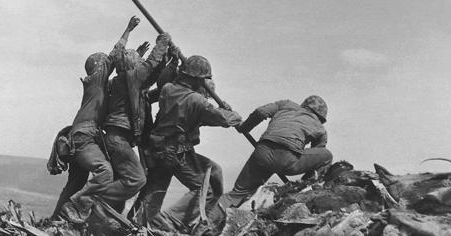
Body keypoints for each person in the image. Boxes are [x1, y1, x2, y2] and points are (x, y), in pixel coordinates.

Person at [137, 55, 242, 232]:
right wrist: (233, 113)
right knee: (205, 189)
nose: (204, 83)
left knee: (155, 192)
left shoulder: (168, 90)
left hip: (157, 149)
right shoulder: (196, 100)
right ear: (196, 78)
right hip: (176, 152)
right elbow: (224, 120)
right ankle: (174, 220)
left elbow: (192, 116)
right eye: (202, 80)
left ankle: (140, 222)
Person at [50, 16, 140, 221]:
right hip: (84, 137)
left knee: (75, 183)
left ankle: (56, 220)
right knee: (105, 172)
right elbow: (115, 53)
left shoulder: (97, 86)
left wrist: (134, 59)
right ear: (98, 67)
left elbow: (121, 69)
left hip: (80, 136)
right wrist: (128, 30)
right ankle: (76, 208)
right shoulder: (97, 79)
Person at [206, 95, 333, 229]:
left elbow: (261, 112)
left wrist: (244, 128)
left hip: (262, 152)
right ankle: (304, 189)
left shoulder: (286, 104)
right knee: (326, 156)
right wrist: (306, 180)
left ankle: (206, 225)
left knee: (237, 193)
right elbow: (316, 155)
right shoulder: (320, 128)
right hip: (288, 160)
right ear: (321, 116)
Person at [98, 30, 172, 213]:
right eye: (138, 62)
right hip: (118, 139)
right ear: (133, 65)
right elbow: (151, 64)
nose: (141, 64)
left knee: (121, 182)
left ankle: (104, 218)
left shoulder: (122, 82)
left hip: (116, 138)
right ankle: (91, 197)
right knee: (137, 179)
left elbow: (153, 74)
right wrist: (162, 42)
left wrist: (169, 60)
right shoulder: (131, 78)